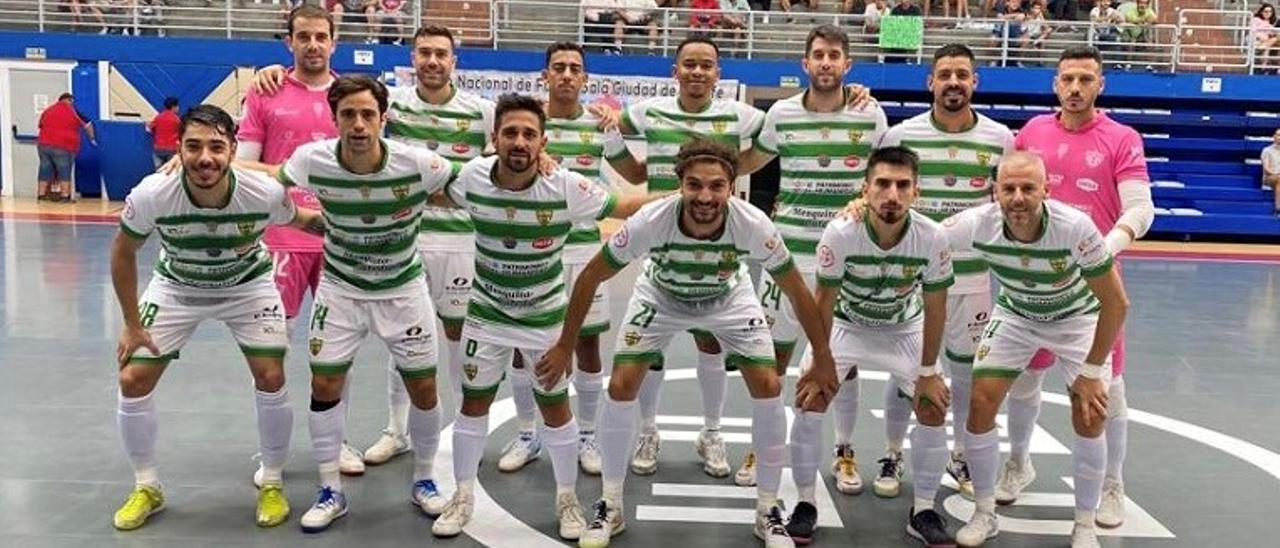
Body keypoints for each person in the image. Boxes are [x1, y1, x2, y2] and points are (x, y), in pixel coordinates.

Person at [548, 139, 839, 548]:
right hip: (662, 294)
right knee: (621, 384)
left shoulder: (753, 223)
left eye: (716, 186)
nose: (705, 196)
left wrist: (823, 357)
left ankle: (767, 509)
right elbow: (591, 276)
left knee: (770, 385)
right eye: (695, 185)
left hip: (728, 296)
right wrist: (564, 345)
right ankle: (610, 504)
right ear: (680, 185)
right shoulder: (651, 220)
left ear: (732, 187)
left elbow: (796, 291)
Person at [428, 94, 661, 540]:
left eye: (529, 134)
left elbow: (627, 206)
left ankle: (568, 499)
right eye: (510, 133)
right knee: (472, 405)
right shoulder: (471, 178)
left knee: (555, 407)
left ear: (543, 142)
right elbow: (417, 179)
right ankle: (462, 496)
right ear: (493, 138)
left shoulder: (566, 187)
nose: (519, 141)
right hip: (486, 314)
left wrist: (685, 193)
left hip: (544, 319)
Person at [109, 104, 325, 531]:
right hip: (177, 287)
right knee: (132, 379)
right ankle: (146, 485)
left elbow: (301, 219)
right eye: (193, 146)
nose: (204, 157)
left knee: (270, 375)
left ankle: (273, 482)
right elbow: (122, 252)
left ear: (231, 149)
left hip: (247, 287)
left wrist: (357, 226)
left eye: (215, 147)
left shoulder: (261, 191)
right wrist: (133, 325)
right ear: (178, 148)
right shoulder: (152, 193)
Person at [270, 75, 459, 533]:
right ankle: (330, 487)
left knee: (425, 389)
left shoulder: (418, 165)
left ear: (383, 119)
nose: (358, 124)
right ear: (335, 120)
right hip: (341, 289)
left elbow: (472, 183)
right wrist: (306, 221)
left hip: (402, 291)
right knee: (326, 383)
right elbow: (264, 187)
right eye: (349, 115)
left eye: (367, 114)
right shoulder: (310, 160)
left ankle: (425, 479)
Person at [999, 45, 1154, 533]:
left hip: (1091, 292)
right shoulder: (1031, 134)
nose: (1075, 88)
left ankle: (1112, 481)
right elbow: (1005, 194)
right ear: (1055, 84)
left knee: (1109, 391)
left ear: (1100, 85)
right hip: (1029, 285)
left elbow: (1140, 210)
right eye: (1067, 79)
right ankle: (1019, 462)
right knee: (1023, 382)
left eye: (1086, 79)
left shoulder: (1122, 138)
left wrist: (1101, 250)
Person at [729, 25, 889, 495]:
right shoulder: (779, 113)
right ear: (805, 63)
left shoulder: (869, 114)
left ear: (847, 65)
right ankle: (765, 445)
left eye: (834, 55)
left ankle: (843, 450)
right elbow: (749, 161)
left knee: (845, 361)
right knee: (772, 360)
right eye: (818, 55)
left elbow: (884, 175)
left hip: (847, 264)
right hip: (787, 259)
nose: (825, 62)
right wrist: (691, 165)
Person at [948, 151, 1130, 548]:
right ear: (994, 192)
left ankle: (1084, 525)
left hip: (1077, 318)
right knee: (980, 403)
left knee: (1090, 412)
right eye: (1008, 188)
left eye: (1028, 188)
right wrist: (861, 211)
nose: (1017, 197)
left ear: (1046, 190)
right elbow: (921, 234)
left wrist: (1091, 370)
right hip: (1017, 315)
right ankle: (984, 513)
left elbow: (1116, 304)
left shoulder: (1075, 227)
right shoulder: (976, 224)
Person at [788, 146, 956, 545]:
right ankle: (805, 503)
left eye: (902, 185)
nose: (892, 194)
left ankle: (925, 510)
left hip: (904, 329)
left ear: (917, 192)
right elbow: (823, 302)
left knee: (933, 406)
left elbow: (936, 308)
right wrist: (823, 360)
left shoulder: (932, 237)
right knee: (810, 396)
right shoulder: (841, 232)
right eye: (882, 184)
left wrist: (929, 373)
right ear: (865, 189)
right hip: (846, 326)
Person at [496, 41, 648, 477]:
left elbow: (636, 174)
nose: (566, 75)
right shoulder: (525, 124)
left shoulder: (600, 126)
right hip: (528, 246)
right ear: (545, 75)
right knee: (522, 344)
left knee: (586, 342)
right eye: (558, 67)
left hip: (582, 248)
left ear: (585, 79)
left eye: (574, 69)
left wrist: (618, 123)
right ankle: (528, 433)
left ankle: (587, 434)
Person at [876, 43, 1016, 501]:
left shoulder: (1000, 138)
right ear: (930, 82)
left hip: (971, 278)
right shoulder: (902, 134)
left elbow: (1002, 210)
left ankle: (958, 453)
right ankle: (893, 452)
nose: (953, 82)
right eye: (945, 74)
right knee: (906, 374)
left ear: (975, 82)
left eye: (962, 74)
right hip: (910, 277)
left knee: (964, 374)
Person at [237, 5, 367, 477]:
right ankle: (273, 449)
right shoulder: (265, 93)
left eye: (321, 37)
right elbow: (244, 164)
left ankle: (337, 443)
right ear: (289, 42)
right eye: (304, 37)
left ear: (334, 42)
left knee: (339, 350)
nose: (313, 45)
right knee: (273, 348)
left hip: (339, 241)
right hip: (282, 241)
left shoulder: (352, 99)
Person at [36, 92, 95, 202]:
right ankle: (65, 196)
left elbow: (41, 125)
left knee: (44, 169)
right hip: (63, 146)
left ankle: (41, 196)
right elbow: (88, 124)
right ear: (70, 100)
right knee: (64, 170)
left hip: (43, 145)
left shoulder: (48, 110)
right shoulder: (72, 110)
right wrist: (92, 138)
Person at [1120, 0, 1158, 69]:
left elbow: (1155, 19)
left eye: (1145, 4)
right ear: (1137, 4)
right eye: (1141, 3)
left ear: (1147, 5)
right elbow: (1129, 19)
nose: (1142, 5)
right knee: (1132, 43)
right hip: (1129, 34)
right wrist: (1144, 20)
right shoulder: (1131, 11)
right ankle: (1128, 64)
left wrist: (1149, 21)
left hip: (1141, 35)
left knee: (1149, 43)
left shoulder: (1149, 11)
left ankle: (1149, 65)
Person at [146, 97, 180, 169]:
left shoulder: (158, 117)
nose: (178, 108)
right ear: (173, 107)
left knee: (159, 171)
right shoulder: (177, 120)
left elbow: (148, 128)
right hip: (172, 149)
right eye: (177, 106)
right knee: (170, 171)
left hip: (158, 148)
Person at [1252, 3, 1278, 72]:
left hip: (1266, 43)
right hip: (1256, 42)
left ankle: (1263, 67)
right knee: (1273, 41)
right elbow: (1253, 31)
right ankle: (1264, 67)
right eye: (1266, 11)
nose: (1268, 13)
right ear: (1261, 12)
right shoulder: (1256, 20)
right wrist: (1262, 37)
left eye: (1270, 11)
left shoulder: (1270, 24)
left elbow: (1274, 33)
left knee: (1270, 45)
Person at [1262, 128, 1280, 215]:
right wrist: (1277, 174)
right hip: (1269, 177)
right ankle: (1278, 209)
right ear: (1274, 136)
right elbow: (1266, 168)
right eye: (1278, 135)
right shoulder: (1267, 150)